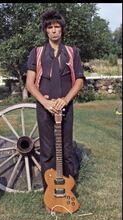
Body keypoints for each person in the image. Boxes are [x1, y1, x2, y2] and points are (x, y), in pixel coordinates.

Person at [25, 10, 85, 195]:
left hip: (65, 106)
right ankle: (49, 192)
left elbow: (79, 80)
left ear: (62, 30)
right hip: (45, 107)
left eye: (57, 27)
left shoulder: (72, 52)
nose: (54, 31)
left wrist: (65, 100)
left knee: (66, 149)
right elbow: (30, 83)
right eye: (50, 28)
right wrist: (45, 102)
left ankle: (69, 189)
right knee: (48, 149)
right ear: (45, 31)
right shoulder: (37, 52)